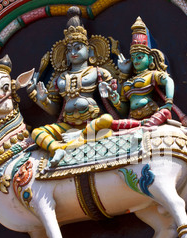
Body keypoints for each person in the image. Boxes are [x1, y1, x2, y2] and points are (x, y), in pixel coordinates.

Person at [28, 7, 119, 167]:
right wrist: (43, 100)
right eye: (69, 50)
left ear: (89, 51)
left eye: (78, 48)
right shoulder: (60, 78)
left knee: (108, 120)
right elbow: (55, 110)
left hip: (92, 122)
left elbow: (117, 105)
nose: (73, 53)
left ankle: (80, 137)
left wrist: (113, 95)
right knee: (37, 132)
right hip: (67, 125)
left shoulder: (98, 72)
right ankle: (57, 148)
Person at [110, 17, 175, 130]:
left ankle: (144, 126)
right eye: (133, 58)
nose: (136, 61)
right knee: (111, 124)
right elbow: (124, 109)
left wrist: (169, 102)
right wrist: (116, 102)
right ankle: (141, 126)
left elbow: (169, 81)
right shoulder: (129, 81)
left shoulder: (152, 75)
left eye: (140, 57)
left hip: (151, 114)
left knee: (164, 112)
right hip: (133, 117)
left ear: (150, 59)